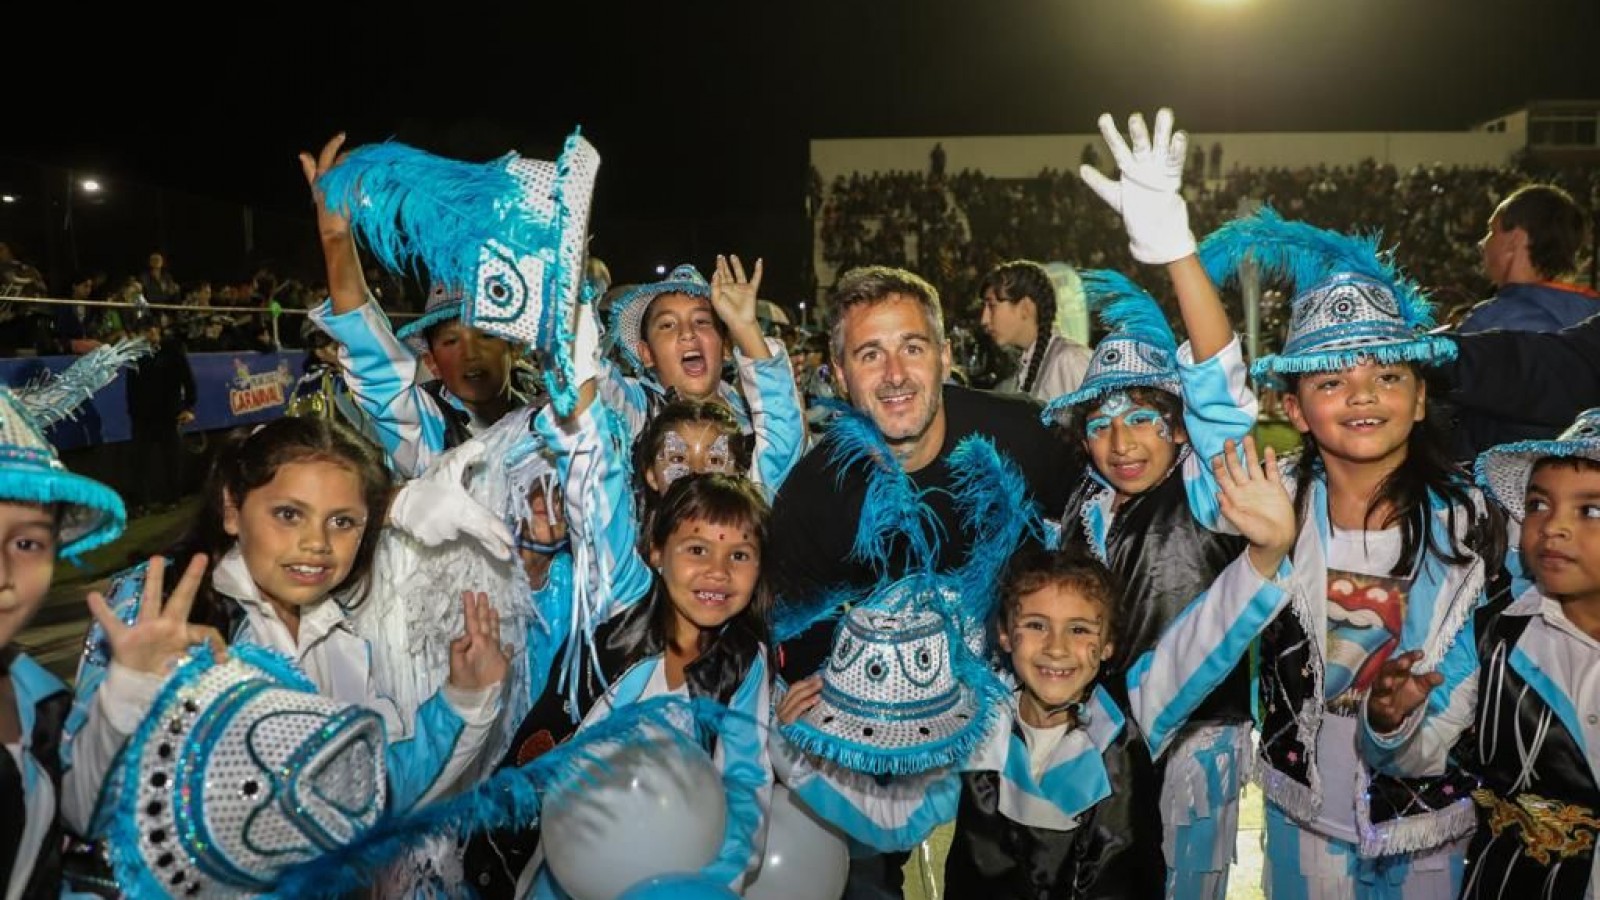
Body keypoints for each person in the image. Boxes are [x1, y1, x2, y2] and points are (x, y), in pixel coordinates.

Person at [774, 434, 1296, 899]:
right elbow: (893, 822)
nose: (1057, 648)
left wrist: (1267, 553)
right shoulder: (977, 727)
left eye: (1080, 630)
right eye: (1036, 625)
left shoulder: (1135, 710)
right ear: (1004, 634)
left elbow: (1207, 636)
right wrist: (798, 758)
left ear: (1108, 645)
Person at [1200, 206, 1506, 899]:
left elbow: (1480, 673)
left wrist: (1398, 725)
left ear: (1422, 398)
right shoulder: (1268, 504)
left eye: (1389, 376)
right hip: (1299, 811)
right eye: (1332, 379)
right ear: (1296, 409)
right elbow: (1209, 409)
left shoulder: (1475, 520)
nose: (1363, 394)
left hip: (1428, 824)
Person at [766, 263, 1078, 897]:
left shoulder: (1024, 434)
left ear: (944, 354)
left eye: (911, 347)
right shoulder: (814, 492)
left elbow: (1094, 542)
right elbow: (793, 629)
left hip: (1018, 713)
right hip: (884, 725)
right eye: (870, 354)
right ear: (839, 371)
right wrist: (805, 683)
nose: (895, 375)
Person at [64, 416, 510, 853]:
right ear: (232, 510)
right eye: (289, 514)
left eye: (342, 522)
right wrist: (129, 695)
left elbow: (371, 794)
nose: (317, 542)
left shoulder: (341, 636)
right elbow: (87, 812)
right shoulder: (162, 611)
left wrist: (463, 700)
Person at [1053, 108, 1265, 898]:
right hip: (1104, 733)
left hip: (1198, 738)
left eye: (1144, 417)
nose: (1122, 440)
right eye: (1101, 423)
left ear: (1178, 432)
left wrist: (1178, 254)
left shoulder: (1212, 485)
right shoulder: (1080, 505)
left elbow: (1222, 392)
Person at [465, 474, 775, 898]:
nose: (717, 571)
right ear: (657, 552)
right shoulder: (619, 621)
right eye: (697, 549)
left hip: (668, 868)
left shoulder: (744, 661)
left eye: (739, 555)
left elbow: (745, 783)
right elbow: (596, 481)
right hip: (561, 855)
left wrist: (713, 883)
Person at [1361, 407, 1600, 897]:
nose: (1553, 527)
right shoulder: (1496, 634)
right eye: (1538, 505)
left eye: (1590, 511)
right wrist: (1389, 723)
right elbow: (1423, 754)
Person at [299, 133, 535, 479]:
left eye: (484, 335)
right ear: (432, 363)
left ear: (514, 347)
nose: (470, 353)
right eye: (451, 341)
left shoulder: (547, 422)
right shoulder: (426, 433)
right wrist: (335, 240)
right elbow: (369, 350)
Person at [0, 382, 129, 898]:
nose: (3, 573)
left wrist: (128, 694)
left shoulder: (42, 702)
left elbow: (69, 827)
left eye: (27, 543)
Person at [605, 255, 806, 493]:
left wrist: (745, 327)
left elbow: (783, 451)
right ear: (646, 353)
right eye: (668, 324)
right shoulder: (636, 409)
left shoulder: (754, 424)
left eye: (702, 321)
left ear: (726, 347)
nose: (688, 333)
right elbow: (589, 388)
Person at [1459, 184, 1597, 335]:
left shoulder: (1490, 322)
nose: (1482, 243)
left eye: (1492, 231)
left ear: (1514, 239)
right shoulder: (1591, 316)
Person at [979, 260, 1091, 403]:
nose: (984, 320)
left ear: (1026, 307)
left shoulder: (1071, 361)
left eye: (992, 306)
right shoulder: (1023, 369)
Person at [122, 313, 196, 514]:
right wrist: (132, 411)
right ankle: (140, 504)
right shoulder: (136, 354)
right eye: (146, 330)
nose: (151, 333)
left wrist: (189, 407)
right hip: (142, 415)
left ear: (159, 330)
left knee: (171, 458)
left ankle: (173, 498)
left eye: (153, 328)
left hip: (168, 413)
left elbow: (187, 379)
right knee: (138, 460)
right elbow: (131, 386)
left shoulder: (172, 349)